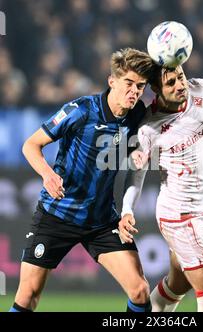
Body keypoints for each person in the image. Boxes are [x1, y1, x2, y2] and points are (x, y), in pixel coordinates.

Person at [9, 48, 155, 312]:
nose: (135, 91)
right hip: (57, 214)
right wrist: (48, 174)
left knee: (140, 291)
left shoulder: (136, 115)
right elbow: (30, 145)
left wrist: (137, 157)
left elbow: (136, 155)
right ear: (112, 81)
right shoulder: (81, 110)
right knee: (28, 295)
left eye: (141, 86)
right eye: (129, 84)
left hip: (101, 221)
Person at [118, 62, 203, 311]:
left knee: (177, 284)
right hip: (180, 215)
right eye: (171, 83)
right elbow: (135, 176)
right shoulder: (149, 127)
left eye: (181, 77)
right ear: (155, 89)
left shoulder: (201, 90)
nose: (180, 85)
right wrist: (127, 208)